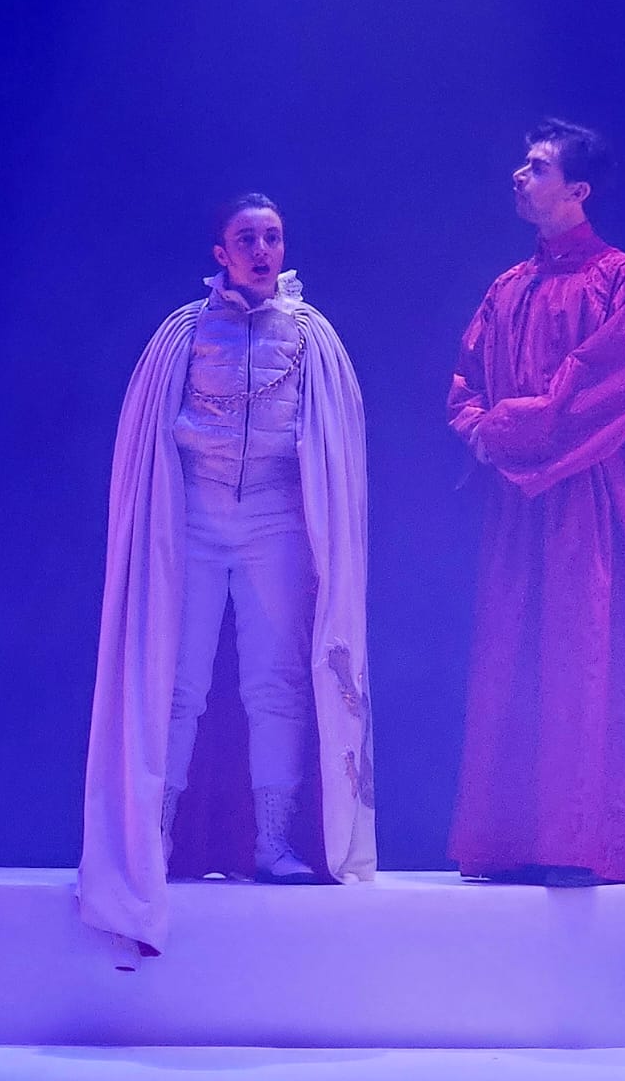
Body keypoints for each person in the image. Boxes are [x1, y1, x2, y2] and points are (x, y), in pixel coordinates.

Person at [79, 194, 375, 959]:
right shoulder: (184, 333)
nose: (262, 249)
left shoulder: (310, 335)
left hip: (275, 517)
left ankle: (274, 841)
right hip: (196, 518)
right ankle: (153, 838)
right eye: (247, 238)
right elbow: (148, 436)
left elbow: (334, 441)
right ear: (222, 252)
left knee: (276, 680)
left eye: (272, 236)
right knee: (174, 683)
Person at [447, 119, 625, 886]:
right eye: (523, 163)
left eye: (537, 166)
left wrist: (507, 431)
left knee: (589, 653)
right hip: (521, 504)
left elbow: (613, 385)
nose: (520, 175)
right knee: (517, 654)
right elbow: (467, 383)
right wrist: (482, 430)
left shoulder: (621, 279)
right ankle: (513, 836)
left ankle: (587, 839)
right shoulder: (507, 288)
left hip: (592, 494)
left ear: (577, 190)